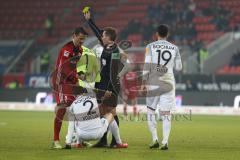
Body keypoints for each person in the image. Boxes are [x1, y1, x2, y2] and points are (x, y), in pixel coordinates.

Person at [83, 9, 128, 148]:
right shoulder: (107, 46)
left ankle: (115, 141)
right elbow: (97, 32)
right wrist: (89, 20)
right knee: (103, 112)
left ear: (108, 37)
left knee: (111, 112)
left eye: (103, 35)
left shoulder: (114, 50)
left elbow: (113, 70)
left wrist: (109, 88)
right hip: (102, 84)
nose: (101, 37)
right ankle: (103, 140)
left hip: (110, 85)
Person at [141, 24, 182, 150]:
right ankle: (165, 142)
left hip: (153, 81)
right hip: (168, 82)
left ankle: (155, 140)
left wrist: (143, 82)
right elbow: (179, 67)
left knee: (150, 111)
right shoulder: (174, 48)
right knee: (166, 114)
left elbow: (147, 65)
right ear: (167, 34)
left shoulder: (150, 46)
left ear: (156, 34)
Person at [51, 27, 88, 149]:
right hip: (60, 82)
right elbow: (63, 69)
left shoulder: (80, 50)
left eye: (84, 39)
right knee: (62, 108)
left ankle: (79, 139)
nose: (82, 41)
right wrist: (77, 75)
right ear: (74, 36)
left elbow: (73, 67)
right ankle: (56, 140)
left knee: (80, 107)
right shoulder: (66, 49)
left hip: (72, 81)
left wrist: (79, 75)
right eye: (80, 38)